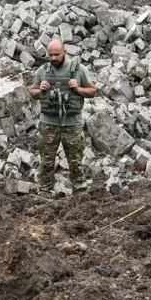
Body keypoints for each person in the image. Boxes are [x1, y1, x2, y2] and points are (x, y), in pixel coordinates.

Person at [27, 39, 98, 194]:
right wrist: (40, 90)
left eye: (56, 55)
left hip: (72, 124)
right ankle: (44, 192)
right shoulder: (43, 71)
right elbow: (32, 92)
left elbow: (93, 91)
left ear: (64, 52)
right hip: (48, 123)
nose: (53, 58)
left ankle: (79, 192)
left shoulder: (79, 69)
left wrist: (78, 88)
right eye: (50, 55)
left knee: (75, 161)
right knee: (46, 160)